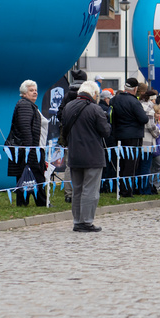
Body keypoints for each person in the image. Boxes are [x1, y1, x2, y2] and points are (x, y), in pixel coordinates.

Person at [62, 81, 110, 232]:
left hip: (74, 154)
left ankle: (77, 221)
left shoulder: (68, 107)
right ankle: (86, 222)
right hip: (92, 155)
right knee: (90, 190)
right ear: (94, 94)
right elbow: (105, 131)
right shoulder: (95, 109)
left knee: (77, 190)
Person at [7, 80, 47, 207]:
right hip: (28, 148)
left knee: (29, 176)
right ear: (24, 93)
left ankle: (26, 203)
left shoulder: (29, 105)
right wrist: (30, 149)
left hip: (30, 148)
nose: (35, 92)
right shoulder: (25, 105)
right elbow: (25, 129)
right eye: (31, 90)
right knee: (32, 175)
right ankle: (38, 203)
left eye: (35, 90)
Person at [109, 77, 148, 198]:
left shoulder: (115, 99)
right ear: (135, 89)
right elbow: (144, 119)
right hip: (133, 136)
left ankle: (119, 188)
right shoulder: (134, 102)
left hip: (118, 134)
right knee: (131, 164)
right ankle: (126, 190)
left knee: (120, 163)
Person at [57, 68, 87, 203]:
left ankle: (69, 193)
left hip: (69, 135)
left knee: (69, 165)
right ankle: (82, 192)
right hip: (85, 135)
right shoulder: (86, 96)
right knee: (86, 164)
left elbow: (59, 114)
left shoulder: (68, 95)